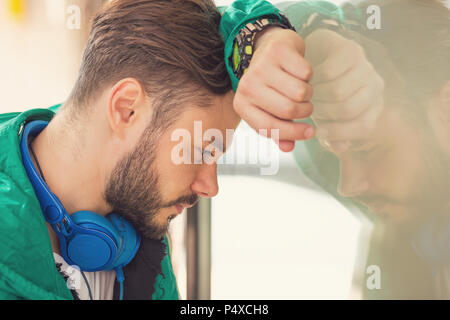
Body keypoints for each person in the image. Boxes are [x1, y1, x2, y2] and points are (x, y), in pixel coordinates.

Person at [0, 0, 314, 300]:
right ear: (127, 109)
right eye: (202, 152)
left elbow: (182, 25)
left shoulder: (134, 207)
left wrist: (261, 35)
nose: (210, 187)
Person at [268, 0, 450, 299]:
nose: (346, 186)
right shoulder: (329, 158)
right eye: (336, 153)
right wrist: (314, 34)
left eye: (367, 151)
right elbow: (223, 27)